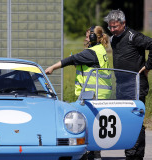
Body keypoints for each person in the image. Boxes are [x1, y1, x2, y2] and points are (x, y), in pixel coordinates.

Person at [45, 26, 111, 160]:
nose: (86, 38)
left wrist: (52, 67)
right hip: (98, 93)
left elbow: (70, 60)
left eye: (87, 36)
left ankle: (94, 154)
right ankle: (93, 154)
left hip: (93, 94)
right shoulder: (99, 50)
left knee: (86, 125)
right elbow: (87, 65)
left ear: (93, 37)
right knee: (91, 125)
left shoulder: (91, 52)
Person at [104, 9, 152, 160]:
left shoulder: (133, 36)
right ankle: (130, 153)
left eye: (115, 26)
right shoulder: (113, 39)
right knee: (123, 121)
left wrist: (148, 66)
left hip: (136, 85)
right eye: (110, 27)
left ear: (123, 24)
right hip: (121, 86)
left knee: (135, 120)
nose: (112, 30)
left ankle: (135, 155)